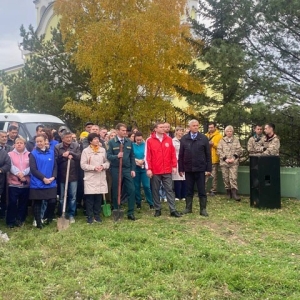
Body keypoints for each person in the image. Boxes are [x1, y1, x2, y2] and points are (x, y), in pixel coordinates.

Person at [145, 122, 181, 217]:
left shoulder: (169, 140)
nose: (163, 129)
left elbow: (172, 153)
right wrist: (149, 169)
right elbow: (147, 155)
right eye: (160, 127)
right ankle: (157, 209)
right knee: (155, 190)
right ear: (155, 129)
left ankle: (172, 210)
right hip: (155, 170)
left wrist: (174, 166)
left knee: (169, 189)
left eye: (163, 127)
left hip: (167, 169)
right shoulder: (149, 140)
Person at [178, 120, 212, 216]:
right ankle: (188, 208)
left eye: (197, 125)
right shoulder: (184, 139)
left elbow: (208, 155)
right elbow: (181, 155)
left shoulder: (203, 138)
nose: (196, 127)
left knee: (202, 190)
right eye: (194, 125)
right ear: (189, 127)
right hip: (188, 169)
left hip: (200, 168)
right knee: (189, 189)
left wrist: (208, 169)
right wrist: (181, 168)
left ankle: (203, 209)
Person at [107, 123, 136, 221]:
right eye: (123, 130)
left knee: (131, 189)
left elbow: (132, 156)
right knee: (116, 190)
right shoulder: (112, 142)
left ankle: (131, 212)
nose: (125, 132)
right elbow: (108, 156)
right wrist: (116, 156)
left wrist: (133, 169)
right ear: (118, 131)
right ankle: (116, 208)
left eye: (125, 130)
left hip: (127, 169)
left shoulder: (129, 142)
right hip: (116, 169)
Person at [29, 133, 57, 229]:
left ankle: (48, 218)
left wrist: (53, 177)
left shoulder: (52, 152)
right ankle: (38, 223)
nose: (39, 143)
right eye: (37, 142)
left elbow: (55, 166)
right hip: (38, 182)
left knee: (52, 201)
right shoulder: (33, 154)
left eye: (41, 141)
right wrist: (43, 178)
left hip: (51, 181)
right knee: (38, 202)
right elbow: (33, 169)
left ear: (45, 141)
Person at [80, 133, 110, 224]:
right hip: (90, 177)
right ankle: (90, 216)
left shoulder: (103, 150)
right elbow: (83, 165)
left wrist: (102, 166)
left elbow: (107, 162)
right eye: (95, 139)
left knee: (98, 197)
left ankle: (97, 215)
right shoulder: (85, 151)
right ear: (90, 141)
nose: (97, 140)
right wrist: (93, 168)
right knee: (90, 198)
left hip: (100, 176)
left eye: (98, 139)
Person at [55, 130, 81, 223]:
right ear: (62, 139)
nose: (69, 139)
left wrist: (71, 154)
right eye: (67, 137)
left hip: (73, 175)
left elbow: (79, 157)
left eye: (70, 137)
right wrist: (63, 156)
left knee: (72, 196)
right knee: (62, 197)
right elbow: (56, 161)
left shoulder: (76, 146)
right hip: (62, 175)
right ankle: (62, 213)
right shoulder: (58, 147)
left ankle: (71, 214)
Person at [6, 138, 30, 228]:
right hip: (13, 183)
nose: (19, 144)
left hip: (25, 182)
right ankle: (10, 221)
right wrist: (18, 174)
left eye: (21, 143)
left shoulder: (29, 155)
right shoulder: (10, 154)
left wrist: (23, 173)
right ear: (14, 144)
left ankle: (20, 220)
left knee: (23, 203)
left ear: (25, 144)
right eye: (17, 143)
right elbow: (10, 165)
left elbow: (31, 166)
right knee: (12, 202)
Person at [217, 125, 243, 201]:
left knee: (233, 177)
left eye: (230, 131)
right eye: (227, 131)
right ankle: (228, 192)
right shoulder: (222, 140)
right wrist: (225, 159)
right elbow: (219, 151)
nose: (229, 133)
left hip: (233, 163)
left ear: (232, 132)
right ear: (225, 132)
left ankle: (234, 192)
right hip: (224, 162)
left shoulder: (236, 140)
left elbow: (239, 150)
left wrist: (233, 158)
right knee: (225, 178)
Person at [132, 132, 154, 209]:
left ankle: (150, 202)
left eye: (140, 140)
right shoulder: (132, 146)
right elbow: (130, 155)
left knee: (146, 186)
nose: (139, 141)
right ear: (135, 139)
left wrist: (143, 161)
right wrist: (136, 161)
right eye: (137, 140)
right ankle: (138, 202)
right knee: (136, 186)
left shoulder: (145, 145)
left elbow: (148, 154)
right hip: (136, 168)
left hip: (144, 167)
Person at [205, 122, 222, 196]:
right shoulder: (205, 135)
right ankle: (203, 189)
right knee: (205, 175)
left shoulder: (219, 136)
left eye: (212, 127)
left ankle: (213, 190)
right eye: (209, 127)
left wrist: (213, 144)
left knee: (214, 175)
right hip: (206, 158)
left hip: (214, 158)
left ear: (215, 127)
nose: (210, 129)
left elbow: (221, 147)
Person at [0, 130, 13, 218]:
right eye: (2, 137)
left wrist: (2, 169)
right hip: (1, 177)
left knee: (5, 195)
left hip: (8, 175)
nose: (4, 138)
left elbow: (9, 163)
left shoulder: (10, 148)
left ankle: (3, 213)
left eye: (5, 137)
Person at [172, 126, 186, 201]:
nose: (181, 133)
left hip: (184, 160)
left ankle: (184, 195)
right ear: (176, 131)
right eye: (179, 131)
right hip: (176, 160)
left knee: (184, 178)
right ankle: (177, 195)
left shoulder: (185, 140)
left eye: (182, 131)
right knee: (177, 178)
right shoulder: (173, 141)